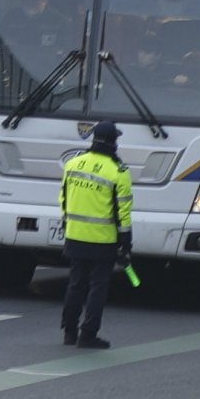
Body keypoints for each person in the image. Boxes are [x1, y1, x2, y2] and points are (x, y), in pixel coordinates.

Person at [59, 119, 133, 349]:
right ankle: (88, 335)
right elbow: (124, 213)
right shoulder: (119, 172)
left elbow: (63, 200)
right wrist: (125, 244)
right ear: (113, 142)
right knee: (97, 288)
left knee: (75, 284)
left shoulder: (73, 164)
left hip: (75, 235)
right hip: (103, 240)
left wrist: (68, 226)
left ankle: (69, 332)